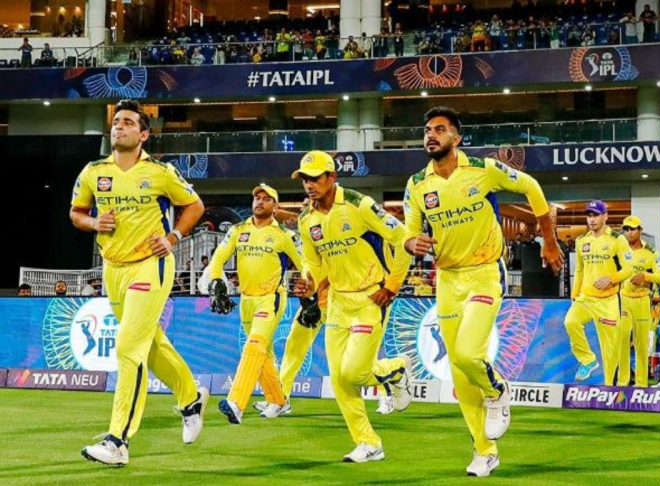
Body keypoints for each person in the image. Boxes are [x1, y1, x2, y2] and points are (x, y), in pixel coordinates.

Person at [403, 107, 564, 477]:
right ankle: (484, 450)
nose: (431, 135)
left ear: (457, 138)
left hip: (484, 273)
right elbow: (410, 231)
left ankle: (496, 390)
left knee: (468, 353)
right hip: (447, 280)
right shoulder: (417, 184)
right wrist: (412, 242)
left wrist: (550, 240)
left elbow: (531, 187)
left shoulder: (483, 169)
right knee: (459, 372)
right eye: (427, 130)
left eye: (440, 129)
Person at [70, 99, 208, 466]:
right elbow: (76, 213)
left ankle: (118, 440)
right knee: (150, 344)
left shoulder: (161, 172)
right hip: (113, 269)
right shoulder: (94, 171)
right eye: (117, 121)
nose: (120, 126)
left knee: (128, 348)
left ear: (143, 135)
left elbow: (195, 206)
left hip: (151, 265)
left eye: (129, 122)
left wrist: (174, 237)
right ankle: (191, 397)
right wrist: (94, 223)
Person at [293, 150, 413, 463]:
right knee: (339, 378)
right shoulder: (306, 220)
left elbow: (402, 238)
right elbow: (311, 261)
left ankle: (397, 369)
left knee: (355, 373)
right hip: (337, 302)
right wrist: (308, 280)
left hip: (370, 298)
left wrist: (391, 286)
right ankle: (368, 443)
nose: (309, 185)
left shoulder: (360, 205)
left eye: (315, 178)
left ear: (332, 177)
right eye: (305, 179)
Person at [207, 184, 302, 425]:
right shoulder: (238, 230)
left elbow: (306, 265)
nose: (260, 201)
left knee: (254, 346)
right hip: (246, 299)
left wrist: (310, 293)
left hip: (271, 298)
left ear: (275, 207)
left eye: (266, 199)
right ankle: (278, 401)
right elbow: (218, 258)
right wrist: (217, 281)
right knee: (262, 353)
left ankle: (236, 402)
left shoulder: (285, 235)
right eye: (257, 198)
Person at [566, 200, 634, 385]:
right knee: (570, 322)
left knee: (610, 348)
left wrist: (611, 278)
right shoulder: (581, 240)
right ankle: (588, 360)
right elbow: (579, 269)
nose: (592, 219)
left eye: (595, 215)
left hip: (608, 300)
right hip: (586, 298)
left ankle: (608, 386)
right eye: (589, 216)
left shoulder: (617, 239)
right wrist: (574, 295)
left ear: (605, 216)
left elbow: (629, 268)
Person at [619, 216, 660, 387]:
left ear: (640, 230)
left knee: (641, 343)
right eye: (626, 229)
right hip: (623, 300)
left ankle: (641, 383)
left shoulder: (651, 253)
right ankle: (622, 382)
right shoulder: (619, 249)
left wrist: (646, 276)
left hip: (642, 301)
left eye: (632, 229)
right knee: (622, 340)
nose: (629, 232)